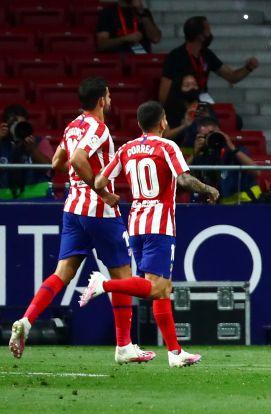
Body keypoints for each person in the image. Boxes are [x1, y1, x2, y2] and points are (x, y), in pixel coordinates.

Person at [8, 77, 155, 364]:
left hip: (72, 209)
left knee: (63, 272)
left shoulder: (72, 126)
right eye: (109, 95)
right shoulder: (98, 128)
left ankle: (26, 320)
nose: (110, 100)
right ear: (102, 99)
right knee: (123, 276)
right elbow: (76, 159)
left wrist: (80, 176)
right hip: (99, 211)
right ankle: (124, 346)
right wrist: (101, 189)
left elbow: (57, 164)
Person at [81, 101, 219, 367]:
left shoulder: (126, 149)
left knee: (161, 289)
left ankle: (175, 353)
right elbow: (183, 180)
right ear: (163, 122)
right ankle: (104, 285)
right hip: (160, 225)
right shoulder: (167, 146)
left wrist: (108, 196)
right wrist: (208, 189)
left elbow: (98, 181)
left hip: (136, 224)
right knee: (158, 287)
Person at [158, 16, 259, 105]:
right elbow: (163, 95)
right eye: (208, 31)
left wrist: (248, 68)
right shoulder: (175, 57)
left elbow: (232, 76)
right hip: (182, 103)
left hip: (202, 99)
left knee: (235, 121)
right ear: (200, 36)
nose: (210, 34)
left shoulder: (207, 54)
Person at [188, 117, 261, 204]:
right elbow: (180, 177)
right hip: (224, 206)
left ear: (220, 132)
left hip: (249, 202)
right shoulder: (202, 157)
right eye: (205, 136)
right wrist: (195, 152)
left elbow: (256, 172)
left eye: (212, 133)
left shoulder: (235, 150)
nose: (210, 138)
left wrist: (231, 146)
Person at [0, 104, 52, 199]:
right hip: (3, 199)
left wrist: (33, 149)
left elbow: (48, 168)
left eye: (21, 125)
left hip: (36, 198)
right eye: (14, 125)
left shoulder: (40, 142)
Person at [163, 74, 218, 145]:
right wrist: (185, 125)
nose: (192, 88)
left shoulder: (205, 107)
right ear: (179, 89)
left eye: (194, 84)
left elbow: (217, 132)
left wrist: (207, 119)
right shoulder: (170, 109)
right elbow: (166, 136)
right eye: (187, 85)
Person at [96, 0, 161, 54]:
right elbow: (102, 44)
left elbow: (155, 38)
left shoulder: (144, 12)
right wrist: (125, 39)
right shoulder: (108, 12)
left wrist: (141, 12)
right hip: (119, 59)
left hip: (141, 59)